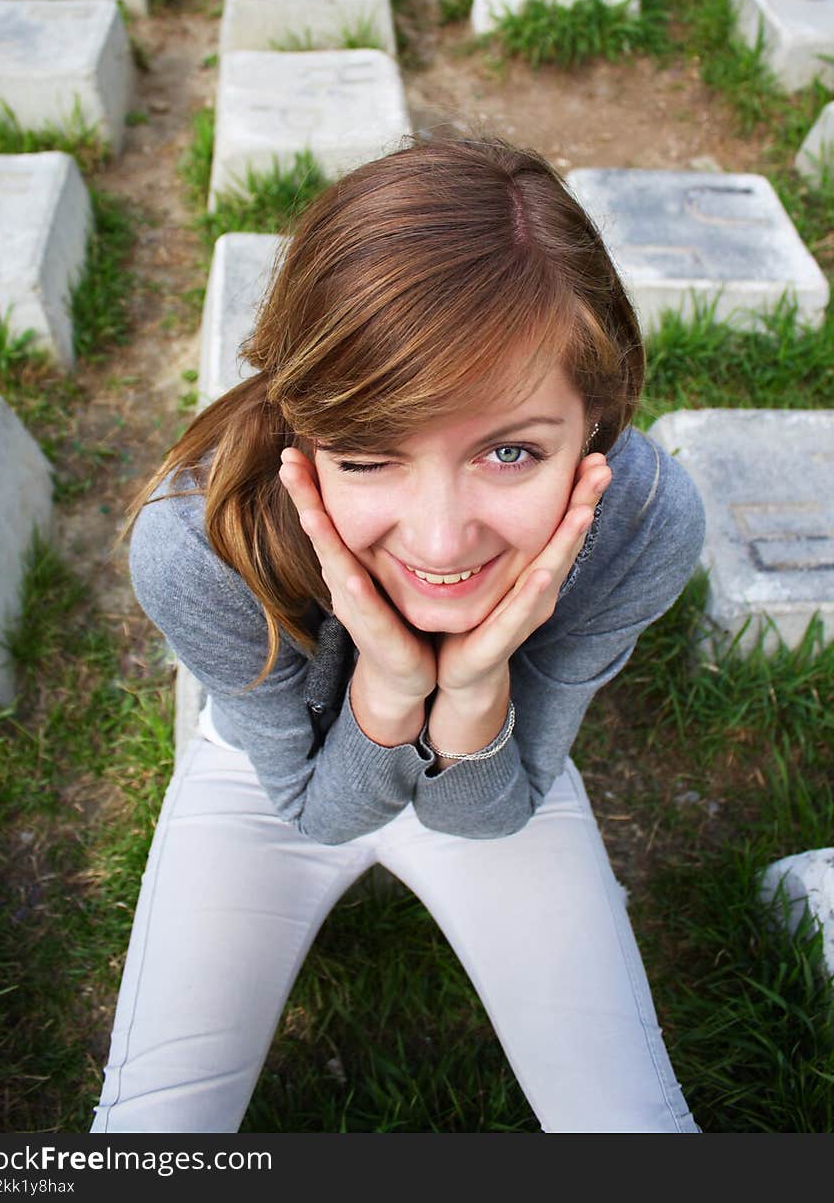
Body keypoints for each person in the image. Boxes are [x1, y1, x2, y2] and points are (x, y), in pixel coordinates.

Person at [91, 136, 705, 1134]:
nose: (439, 538)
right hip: (266, 779)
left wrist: (469, 692)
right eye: (370, 453)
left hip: (500, 757)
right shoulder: (195, 545)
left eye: (510, 450)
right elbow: (316, 810)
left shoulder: (640, 521)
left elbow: (485, 813)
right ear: (302, 426)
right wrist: (384, 682)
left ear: (598, 418)